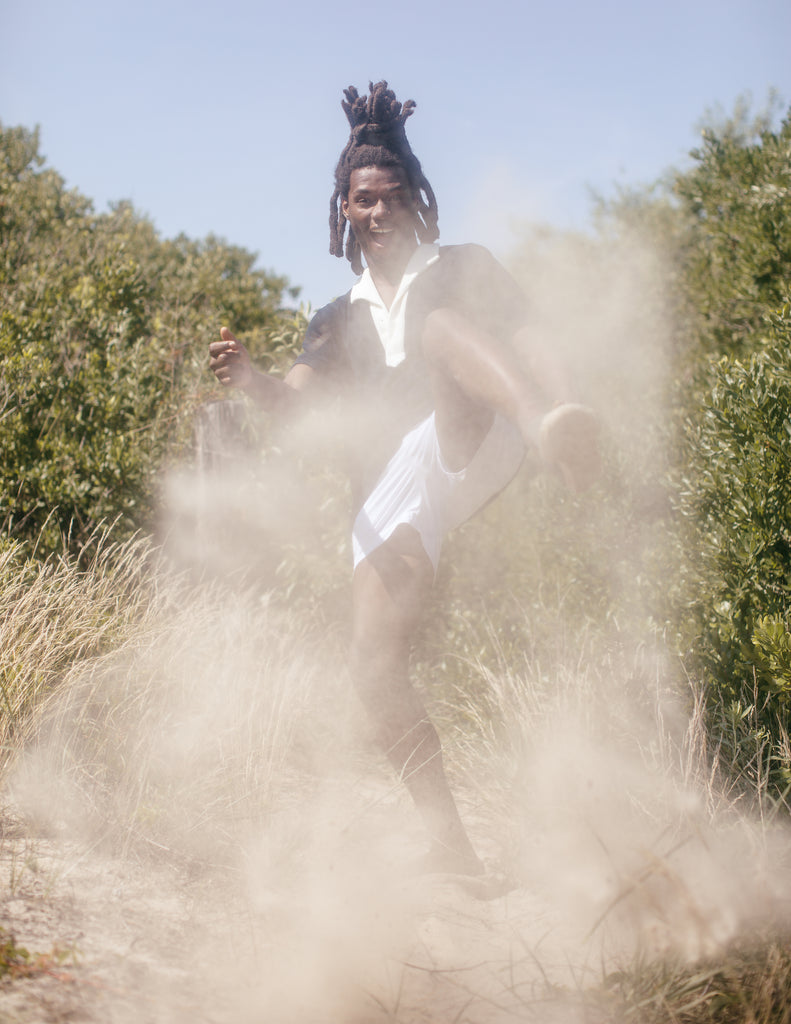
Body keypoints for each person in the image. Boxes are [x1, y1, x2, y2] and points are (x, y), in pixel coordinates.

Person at [209, 81, 599, 877]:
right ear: (343, 210)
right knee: (371, 667)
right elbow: (292, 405)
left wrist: (563, 411)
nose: (378, 212)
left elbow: (528, 334)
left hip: (474, 433)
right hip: (394, 484)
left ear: (413, 201)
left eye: (390, 198)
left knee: (443, 330)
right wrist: (251, 381)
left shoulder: (459, 265)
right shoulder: (335, 317)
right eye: (363, 201)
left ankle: (543, 428)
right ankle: (452, 849)